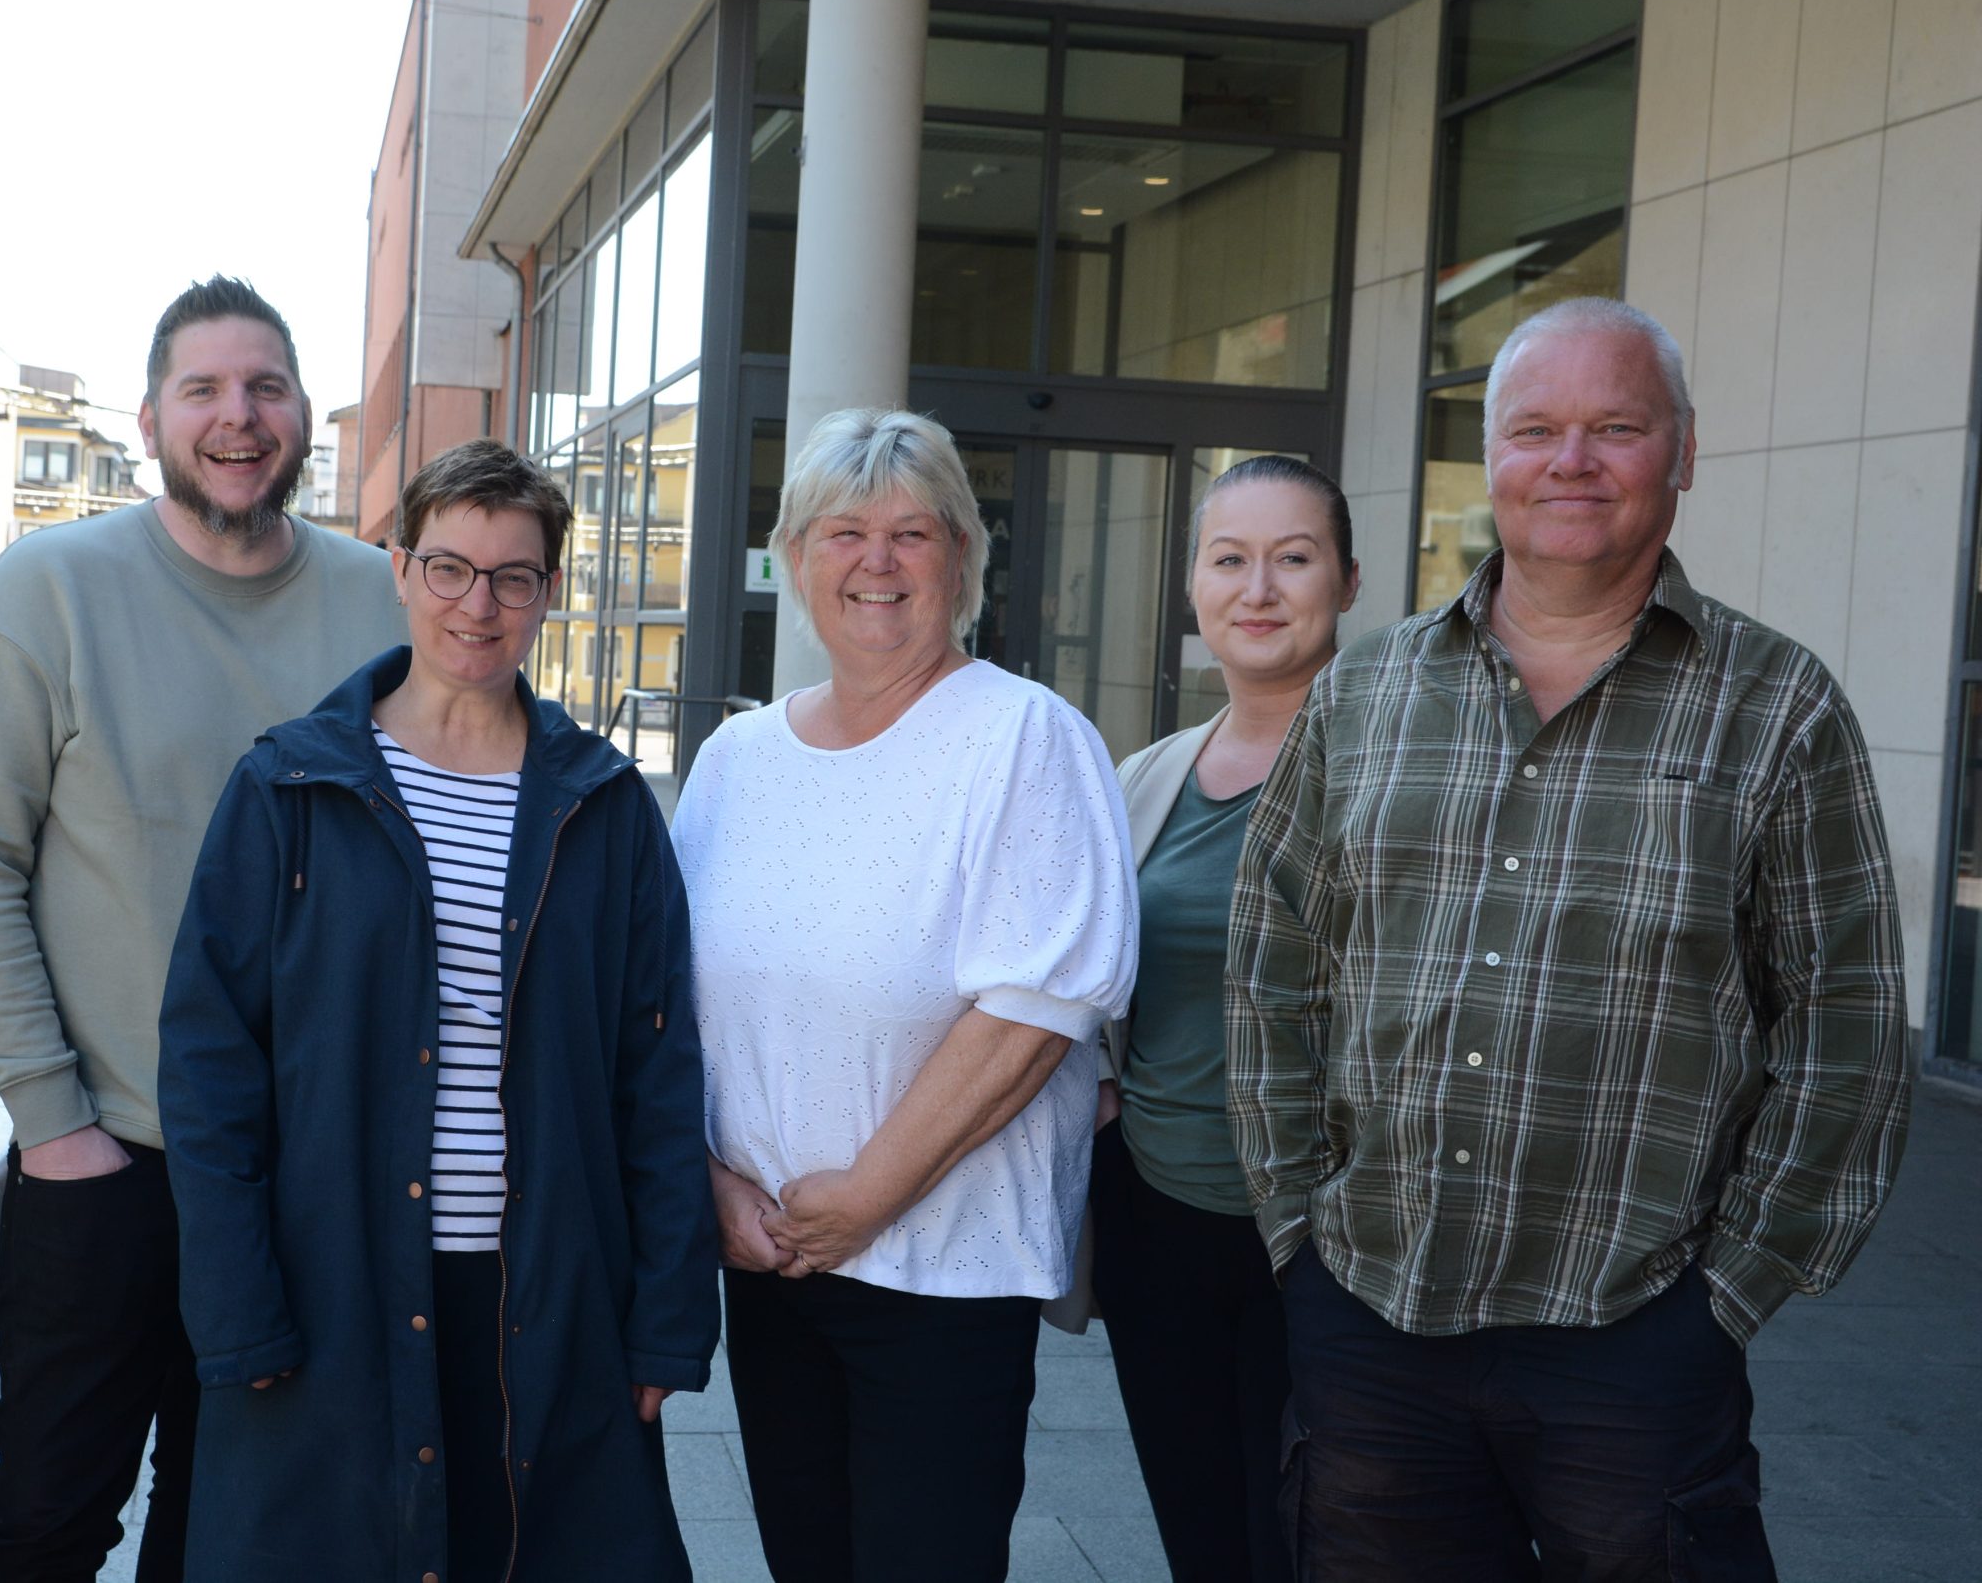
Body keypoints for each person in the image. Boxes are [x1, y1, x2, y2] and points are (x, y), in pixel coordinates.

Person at [1229, 296, 1912, 1581]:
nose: (1571, 461)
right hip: (1373, 1312)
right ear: (1487, 456)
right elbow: (1277, 974)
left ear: (1685, 451)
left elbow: (1847, 1025)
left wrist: (1728, 1296)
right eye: (1534, 429)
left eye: (1616, 427)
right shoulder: (1365, 695)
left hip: (1637, 1333)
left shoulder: (1779, 707)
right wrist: (1296, 1238)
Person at [158, 438, 718, 1580]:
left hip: (545, 1289)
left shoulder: (602, 807)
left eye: (514, 575)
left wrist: (669, 1311)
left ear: (549, 592)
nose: (480, 603)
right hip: (337, 1285)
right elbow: (211, 1062)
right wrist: (235, 1306)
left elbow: (657, 1077)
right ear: (400, 571)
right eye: (451, 567)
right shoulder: (291, 786)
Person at [0, 276, 404, 1582]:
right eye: (204, 389)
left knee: (239, 1534)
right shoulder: (49, 588)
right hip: (109, 1161)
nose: (237, 417)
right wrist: (51, 1122)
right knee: (46, 1521)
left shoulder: (387, 604)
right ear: (150, 418)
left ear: (305, 416)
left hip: (308, 1175)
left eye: (265, 388)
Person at [672, 408, 1138, 1583]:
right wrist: (712, 1180)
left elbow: (1039, 1004)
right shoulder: (738, 760)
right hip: (770, 1258)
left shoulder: (1023, 738)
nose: (876, 563)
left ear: (962, 561)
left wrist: (866, 1196)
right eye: (843, 532)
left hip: (939, 1273)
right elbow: (666, 994)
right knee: (807, 1558)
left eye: (912, 533)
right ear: (790, 558)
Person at [1088, 455, 1356, 1582]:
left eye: (1292, 558)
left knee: (1315, 1535)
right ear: (1193, 587)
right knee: (1202, 1532)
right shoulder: (1142, 776)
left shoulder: (1396, 769)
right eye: (1228, 559)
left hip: (1335, 1237)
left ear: (1344, 579)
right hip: (1160, 1221)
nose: (1258, 588)